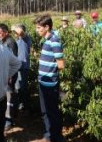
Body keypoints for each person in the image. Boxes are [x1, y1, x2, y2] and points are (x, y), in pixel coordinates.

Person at [34, 14, 65, 142]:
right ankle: (48, 134)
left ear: (47, 27)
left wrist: (52, 75)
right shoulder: (46, 40)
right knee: (45, 111)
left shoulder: (54, 40)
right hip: (43, 82)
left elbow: (61, 64)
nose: (37, 30)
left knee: (52, 111)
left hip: (50, 84)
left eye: (38, 27)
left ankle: (57, 137)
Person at [0, 23, 19, 131]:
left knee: (9, 96)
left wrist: (10, 75)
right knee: (7, 96)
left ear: (5, 32)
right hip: (6, 73)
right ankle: (10, 118)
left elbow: (12, 60)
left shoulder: (10, 43)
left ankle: (9, 121)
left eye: (0, 33)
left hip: (9, 74)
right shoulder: (4, 41)